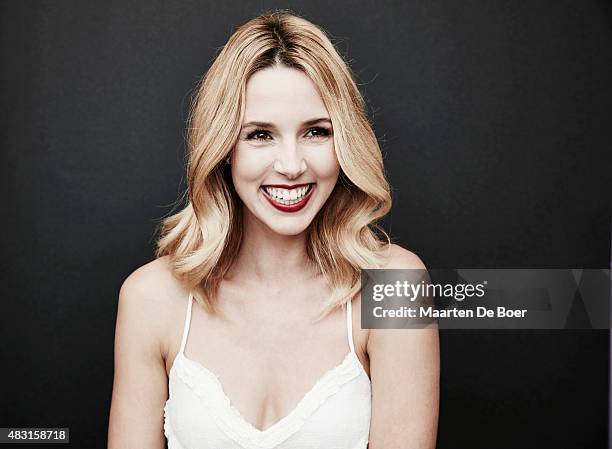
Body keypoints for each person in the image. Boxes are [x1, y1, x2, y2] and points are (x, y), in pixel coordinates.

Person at [108, 9, 439, 449]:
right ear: (224, 148)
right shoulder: (152, 298)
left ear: (344, 142)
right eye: (260, 135)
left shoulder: (394, 285)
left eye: (316, 132)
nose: (290, 166)